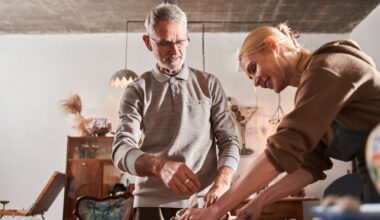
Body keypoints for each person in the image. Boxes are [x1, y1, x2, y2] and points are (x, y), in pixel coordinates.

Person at [179, 23, 380, 220]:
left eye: (253, 68)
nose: (255, 81)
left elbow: (282, 149)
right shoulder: (312, 93)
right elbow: (310, 165)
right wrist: (257, 203)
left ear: (272, 45)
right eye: (250, 78)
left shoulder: (327, 66)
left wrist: (215, 211)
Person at [111, 3, 240, 220]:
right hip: (151, 204)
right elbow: (121, 150)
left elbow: (229, 140)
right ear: (147, 42)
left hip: (204, 202)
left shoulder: (209, 84)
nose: (175, 51)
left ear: (187, 37)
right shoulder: (137, 90)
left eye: (180, 41)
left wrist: (223, 180)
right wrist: (160, 167)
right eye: (165, 44)